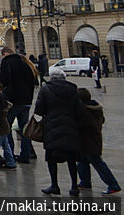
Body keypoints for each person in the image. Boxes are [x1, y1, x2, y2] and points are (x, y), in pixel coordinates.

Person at [34, 66, 86, 196]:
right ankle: (74, 186)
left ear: (51, 77)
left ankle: (54, 185)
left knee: (51, 158)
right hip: (70, 126)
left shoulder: (45, 89)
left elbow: (39, 109)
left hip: (51, 126)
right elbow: (80, 111)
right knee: (71, 158)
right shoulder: (73, 90)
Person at [76, 88, 121, 195]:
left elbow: (80, 124)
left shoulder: (85, 111)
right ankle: (85, 181)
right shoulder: (95, 109)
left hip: (89, 142)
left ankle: (113, 185)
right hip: (91, 141)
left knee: (98, 163)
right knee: (82, 161)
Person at [0, 46, 37, 164]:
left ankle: (10, 156)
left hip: (13, 101)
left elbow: (2, 81)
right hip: (26, 102)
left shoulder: (7, 63)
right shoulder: (26, 64)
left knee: (6, 128)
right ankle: (26, 155)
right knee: (24, 129)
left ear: (5, 54)